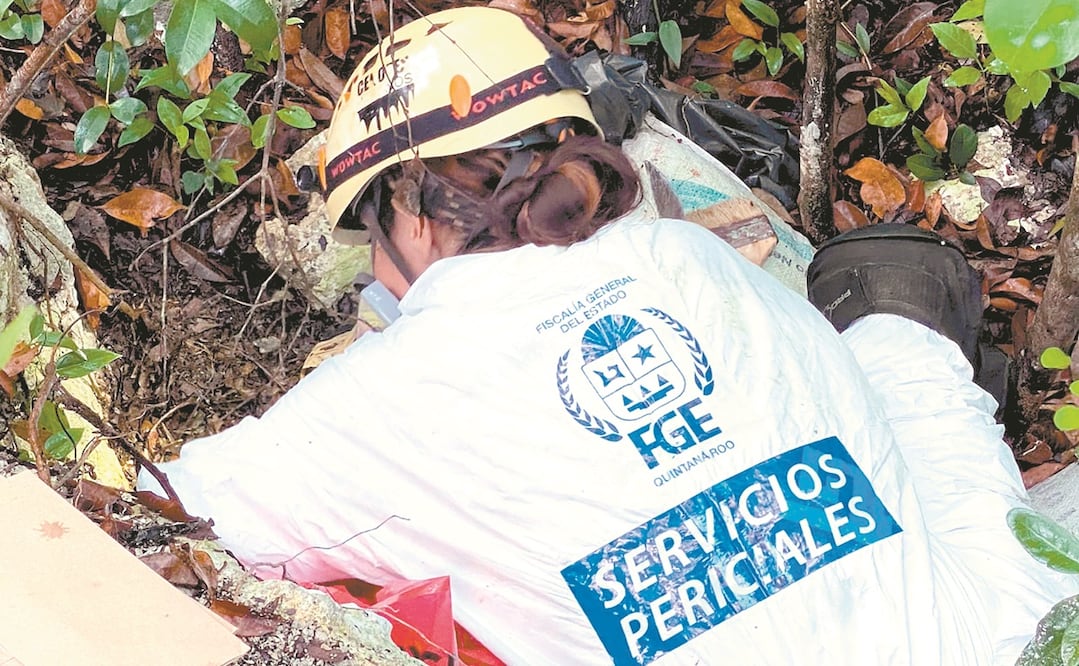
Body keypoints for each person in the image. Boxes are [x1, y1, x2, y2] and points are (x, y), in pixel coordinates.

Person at [138, 7, 1078, 664]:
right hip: (998, 639)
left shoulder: (365, 411)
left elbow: (157, 519)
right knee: (891, 316)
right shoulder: (689, 259)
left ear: (406, 212)